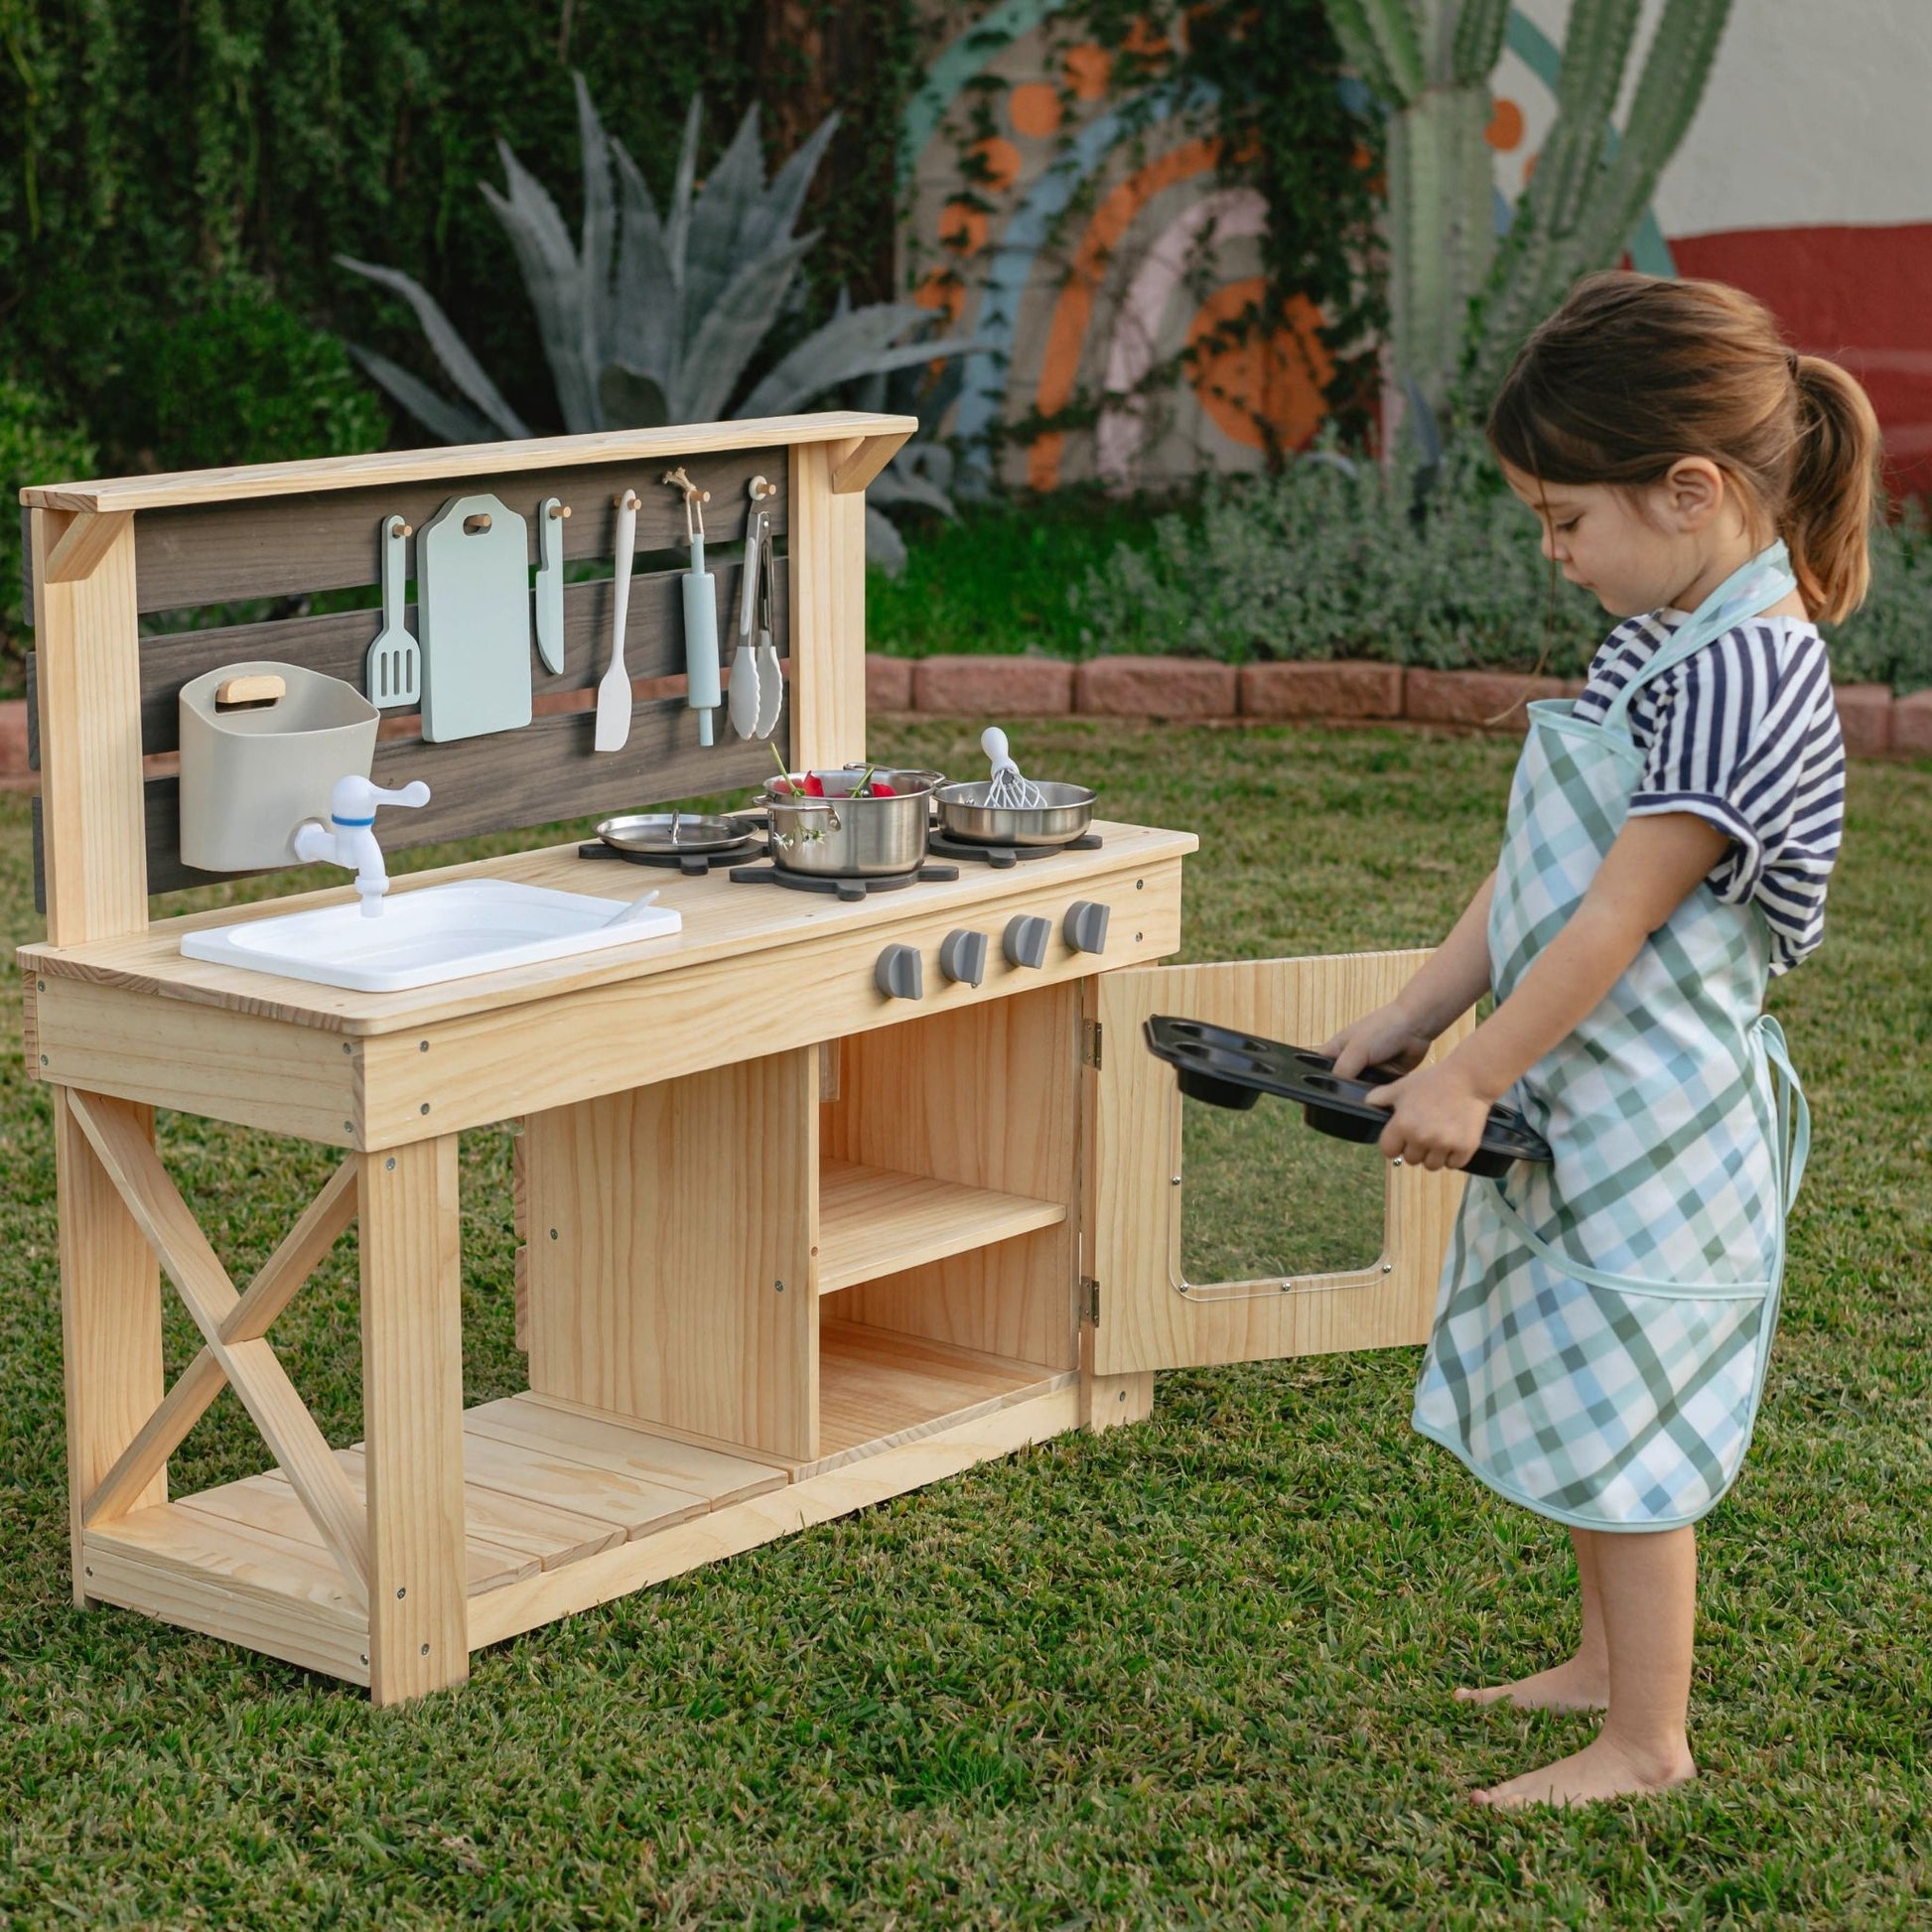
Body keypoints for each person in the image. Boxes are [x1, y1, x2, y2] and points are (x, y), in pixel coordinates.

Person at [1322, 271, 1876, 1808]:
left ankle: (1646, 1739)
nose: (1553, 552)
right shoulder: (1669, 629)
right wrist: (1417, 1013)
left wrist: (1473, 1072)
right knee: (1580, 1371)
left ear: (1686, 491)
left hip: (1659, 1118)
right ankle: (1594, 1665)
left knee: (1628, 1413)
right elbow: (1542, 871)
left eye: (1565, 518)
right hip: (1589, 1092)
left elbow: (1613, 922)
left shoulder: (1742, 671)